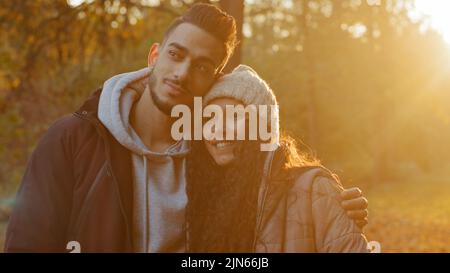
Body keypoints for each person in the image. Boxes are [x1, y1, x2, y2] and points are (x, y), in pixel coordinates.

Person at [5, 3, 368, 253]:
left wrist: (332, 206)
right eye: (176, 55)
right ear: (154, 56)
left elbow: (269, 200)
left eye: (201, 66)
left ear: (213, 80)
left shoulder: (211, 155)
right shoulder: (74, 139)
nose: (181, 73)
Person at [186, 65, 368, 252]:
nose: (219, 129)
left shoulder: (315, 189)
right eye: (210, 118)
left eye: (234, 117)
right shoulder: (198, 199)